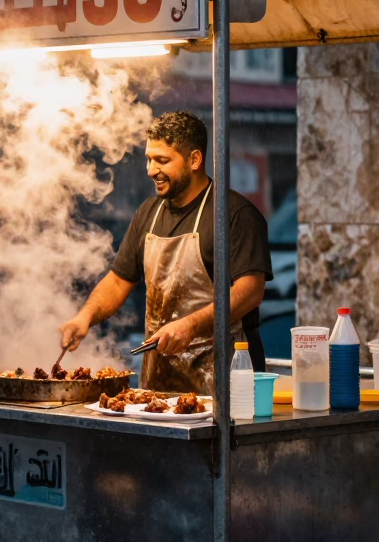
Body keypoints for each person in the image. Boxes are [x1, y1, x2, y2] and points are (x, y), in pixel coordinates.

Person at [60, 110, 272, 394]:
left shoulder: (234, 214)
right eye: (149, 159)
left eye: (162, 160)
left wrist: (190, 325)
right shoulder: (148, 212)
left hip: (227, 386)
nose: (150, 170)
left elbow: (249, 292)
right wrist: (84, 317)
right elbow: (118, 280)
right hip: (159, 390)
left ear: (194, 160)